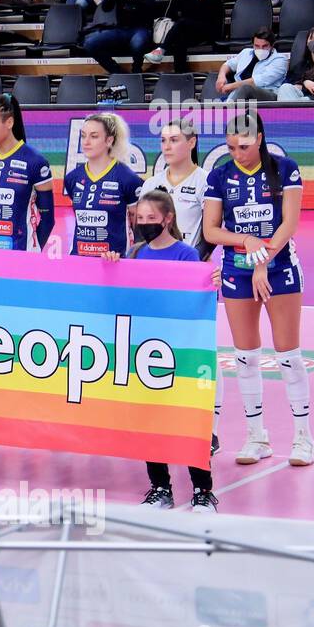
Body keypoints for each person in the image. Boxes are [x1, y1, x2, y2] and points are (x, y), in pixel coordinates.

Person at [203, 109, 314, 467]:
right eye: (232, 146)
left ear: (261, 139)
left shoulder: (285, 168)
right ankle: (257, 437)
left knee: (288, 357)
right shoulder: (220, 175)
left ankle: (303, 438)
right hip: (236, 269)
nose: (238, 153)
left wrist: (263, 260)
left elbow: (289, 223)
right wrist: (247, 241)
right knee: (246, 357)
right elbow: (211, 231)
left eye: (245, 146)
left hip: (279, 267)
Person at [102, 194, 219, 512]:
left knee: (187, 421)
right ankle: (160, 488)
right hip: (146, 352)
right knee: (149, 420)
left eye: (150, 219)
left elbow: (193, 299)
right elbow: (122, 299)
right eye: (139, 219)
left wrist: (210, 284)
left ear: (167, 219)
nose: (143, 225)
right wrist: (114, 269)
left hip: (179, 351)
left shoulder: (186, 255)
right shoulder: (135, 253)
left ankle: (202, 491)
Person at [0, 95, 55, 251]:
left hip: (21, 253)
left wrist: (33, 250)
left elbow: (48, 218)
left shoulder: (35, 161)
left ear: (9, 122)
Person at [64, 112, 142, 257]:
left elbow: (138, 228)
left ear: (109, 141)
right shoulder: (72, 178)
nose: (86, 142)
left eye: (94, 136)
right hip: (79, 260)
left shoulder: (128, 179)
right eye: (83, 135)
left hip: (114, 262)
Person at [140, 116, 211, 256]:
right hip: (154, 263)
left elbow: (209, 235)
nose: (166, 147)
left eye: (174, 140)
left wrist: (193, 259)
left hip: (187, 264)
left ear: (191, 142)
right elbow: (140, 231)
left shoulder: (206, 181)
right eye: (163, 140)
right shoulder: (151, 184)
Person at [83, 0, 159, 74]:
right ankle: (117, 72)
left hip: (141, 28)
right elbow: (106, 8)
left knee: (137, 43)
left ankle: (136, 71)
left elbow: (148, 10)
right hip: (120, 29)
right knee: (90, 43)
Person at [145, 0, 224, 72]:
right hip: (190, 31)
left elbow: (209, 14)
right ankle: (181, 74)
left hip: (208, 29)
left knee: (182, 23)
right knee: (178, 39)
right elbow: (170, 13)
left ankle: (161, 49)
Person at [215, 29, 289, 103]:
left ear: (272, 45)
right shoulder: (246, 53)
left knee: (246, 88)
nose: (260, 49)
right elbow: (228, 64)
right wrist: (221, 76)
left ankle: (228, 110)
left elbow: (258, 81)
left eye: (264, 46)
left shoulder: (280, 60)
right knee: (214, 77)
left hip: (268, 94)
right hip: (239, 93)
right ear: (253, 44)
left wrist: (231, 86)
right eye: (257, 46)